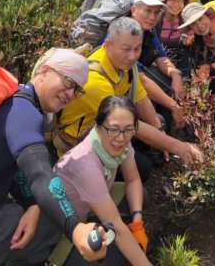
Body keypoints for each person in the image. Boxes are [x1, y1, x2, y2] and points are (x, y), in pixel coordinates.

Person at [0, 48, 106, 266]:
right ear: (44, 71)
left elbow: (10, 167)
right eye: (69, 81)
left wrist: (31, 204)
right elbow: (40, 174)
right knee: (49, 225)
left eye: (77, 90)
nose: (71, 94)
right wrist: (76, 228)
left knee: (31, 213)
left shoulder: (14, 103)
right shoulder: (24, 112)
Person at [56, 17, 201, 165]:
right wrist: (178, 147)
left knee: (159, 123)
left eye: (137, 49)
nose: (132, 56)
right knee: (143, 167)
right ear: (107, 46)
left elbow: (141, 99)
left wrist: (160, 131)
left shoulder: (126, 67)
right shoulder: (94, 80)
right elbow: (129, 124)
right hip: (78, 146)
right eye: (126, 49)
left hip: (107, 127)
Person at [55, 96, 151, 266]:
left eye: (128, 129)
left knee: (141, 197)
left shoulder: (122, 144)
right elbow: (119, 230)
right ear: (98, 127)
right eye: (113, 129)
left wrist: (137, 223)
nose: (120, 138)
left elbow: (133, 179)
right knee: (116, 258)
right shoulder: (85, 166)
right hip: (62, 231)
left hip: (88, 207)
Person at [130, 0, 185, 130]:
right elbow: (139, 78)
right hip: (122, 86)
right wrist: (173, 106)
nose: (152, 17)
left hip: (137, 78)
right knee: (160, 118)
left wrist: (176, 75)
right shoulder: (125, 33)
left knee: (170, 82)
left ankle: (169, 127)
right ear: (134, 10)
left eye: (156, 12)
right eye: (148, 11)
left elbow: (161, 58)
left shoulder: (149, 31)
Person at [156, 0, 191, 78]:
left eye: (180, 1)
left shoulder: (186, 20)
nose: (176, 4)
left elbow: (192, 40)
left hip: (179, 61)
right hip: (157, 60)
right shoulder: (156, 19)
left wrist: (189, 40)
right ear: (165, 1)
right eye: (172, 0)